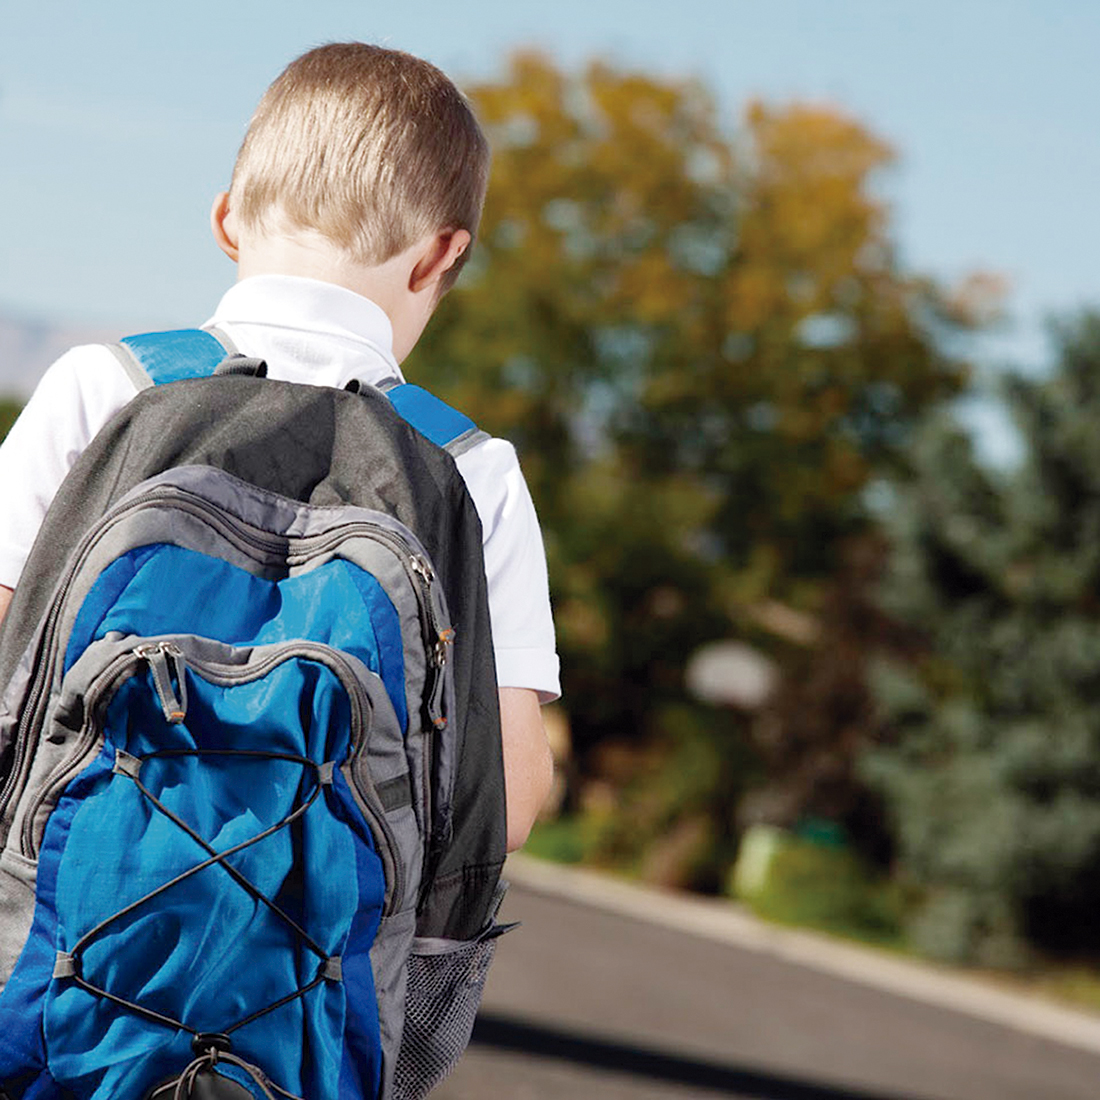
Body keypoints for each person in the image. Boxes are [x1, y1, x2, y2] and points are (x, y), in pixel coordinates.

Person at [0, 41, 557, 851]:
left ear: (227, 220)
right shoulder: (470, 469)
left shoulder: (108, 386)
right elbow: (509, 792)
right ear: (441, 255)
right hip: (324, 961)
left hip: (54, 927)